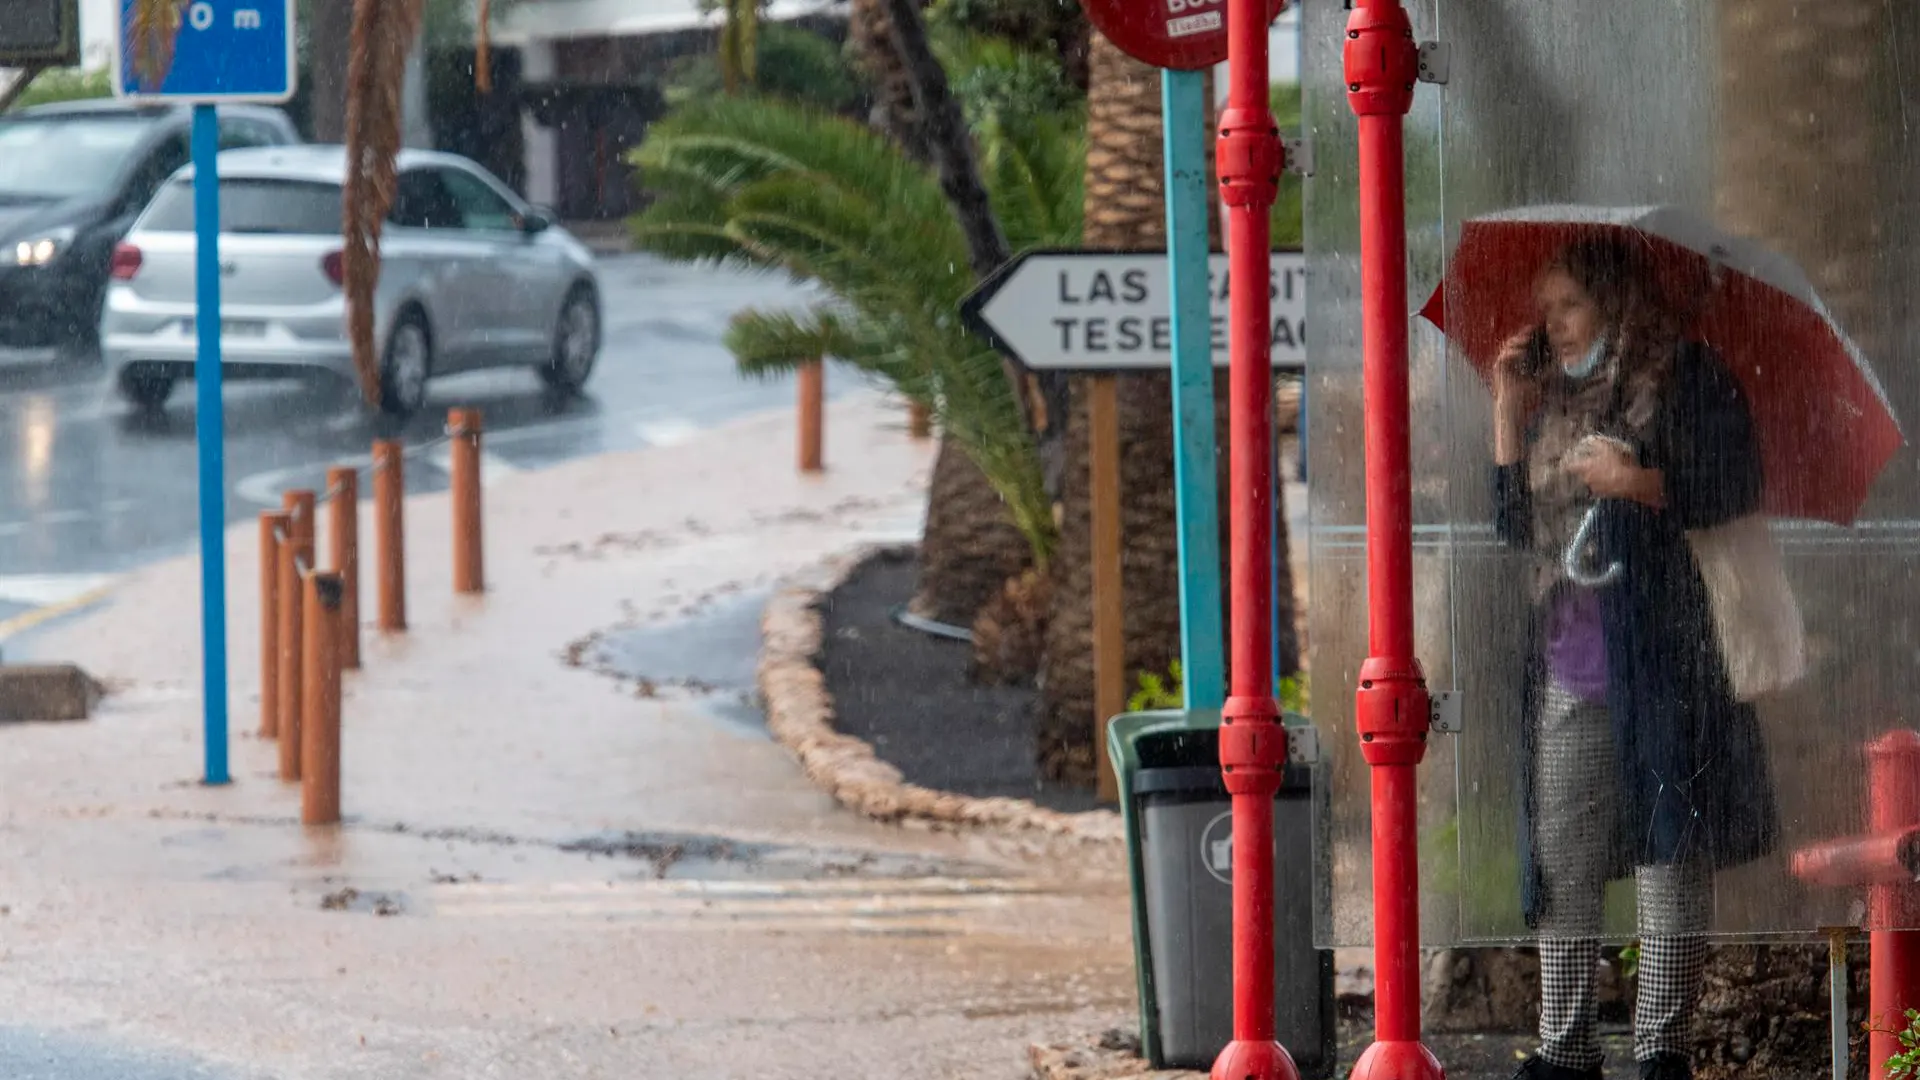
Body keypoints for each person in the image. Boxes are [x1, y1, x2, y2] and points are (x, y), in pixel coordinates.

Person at [1490, 235, 1780, 1080]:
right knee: (1564, 852)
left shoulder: (1688, 378)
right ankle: (1564, 1048)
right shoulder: (1560, 404)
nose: (1554, 325)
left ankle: (1661, 1050)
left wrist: (1642, 483)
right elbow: (1517, 527)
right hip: (1571, 658)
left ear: (1615, 304)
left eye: (1568, 306)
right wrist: (1508, 410)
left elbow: (1734, 486)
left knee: (1668, 846)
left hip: (1667, 656)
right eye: (1545, 311)